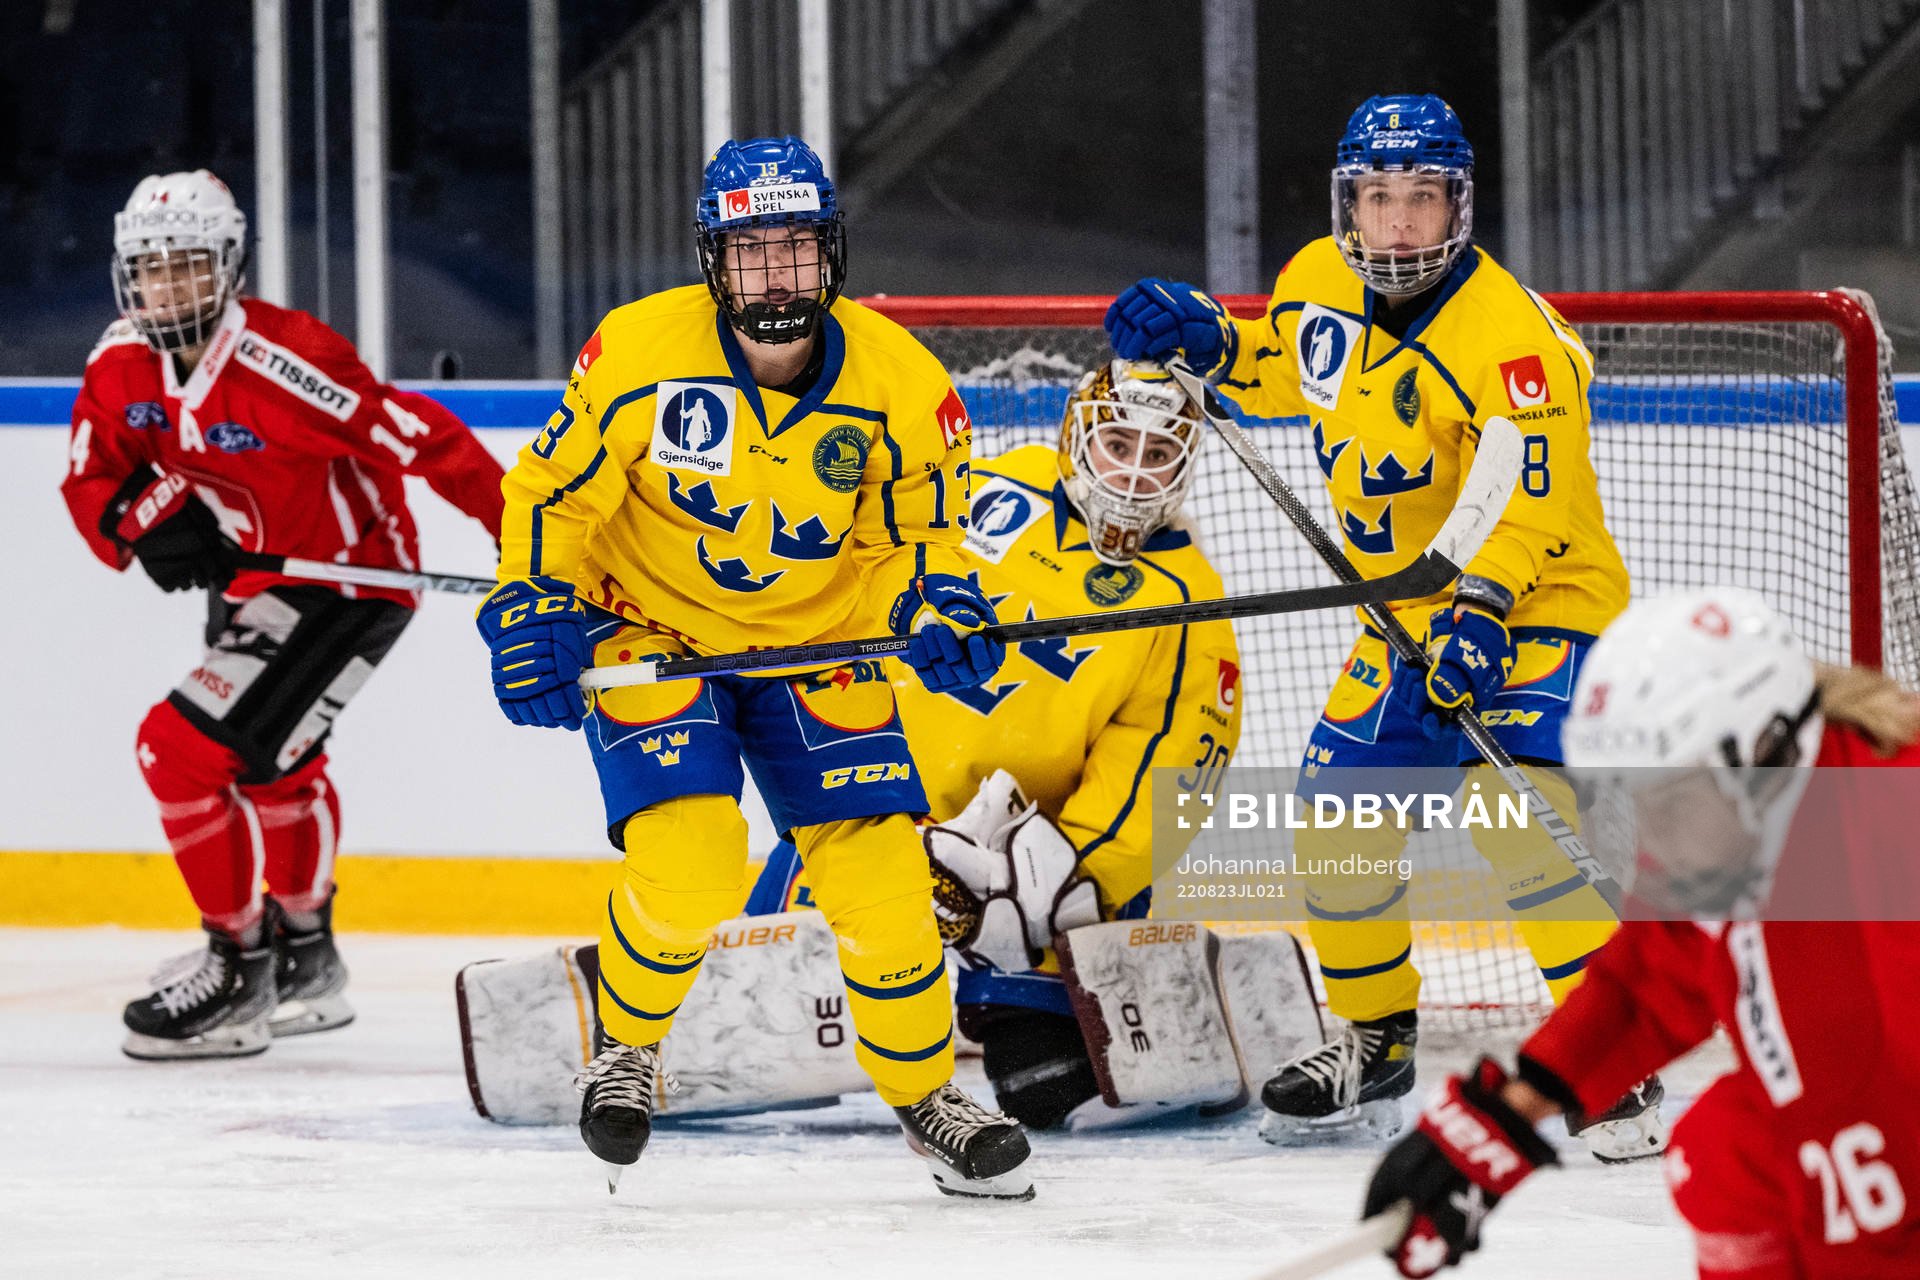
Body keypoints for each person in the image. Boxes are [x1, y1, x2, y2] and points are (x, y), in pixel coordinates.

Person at [1102, 93, 1656, 1156]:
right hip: (1404, 608)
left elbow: (1531, 503)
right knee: (1335, 814)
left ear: (1460, 203)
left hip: (1537, 599)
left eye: (1421, 197)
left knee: (1517, 810)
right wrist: (1208, 338)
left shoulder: (1516, 341)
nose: (1398, 222)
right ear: (1348, 202)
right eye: (1378, 196)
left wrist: (1484, 611)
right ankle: (1376, 1037)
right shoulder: (1320, 276)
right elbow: (1284, 365)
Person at [479, 136, 1032, 1200]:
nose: (774, 276)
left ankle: (925, 1097)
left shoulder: (901, 380)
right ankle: (630, 1047)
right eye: (750, 252)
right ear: (713, 259)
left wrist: (935, 601)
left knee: (885, 891)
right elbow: (554, 495)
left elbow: (920, 539)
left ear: (829, 254)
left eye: (794, 249)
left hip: (815, 647)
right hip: (652, 631)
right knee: (688, 867)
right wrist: (527, 604)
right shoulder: (639, 352)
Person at [60, 169, 506, 1061]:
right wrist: (139, 524)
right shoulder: (119, 367)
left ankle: (236, 969)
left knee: (177, 751)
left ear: (228, 267)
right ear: (126, 276)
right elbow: (92, 475)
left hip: (346, 585)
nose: (168, 287)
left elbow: (427, 439)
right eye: (150, 269)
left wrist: (526, 542)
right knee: (272, 771)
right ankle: (305, 961)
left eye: (188, 266)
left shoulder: (287, 363)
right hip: (254, 587)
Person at [1358, 587, 1920, 1278]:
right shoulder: (1729, 825)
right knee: (1722, 1156)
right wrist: (1495, 1123)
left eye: (1669, 795)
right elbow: (1649, 982)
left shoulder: (1892, 838)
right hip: (1865, 1152)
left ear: (1765, 746)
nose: (1651, 834)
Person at [748, 357, 1244, 1128]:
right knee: (767, 1021)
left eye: (1159, 455)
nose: (1134, 473)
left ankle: (1117, 986)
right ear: (1078, 437)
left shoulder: (1188, 601)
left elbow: (1169, 768)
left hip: (1029, 862)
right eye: (1119, 444)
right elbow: (880, 574)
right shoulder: (988, 490)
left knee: (1041, 1085)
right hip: (886, 807)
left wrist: (1054, 875)